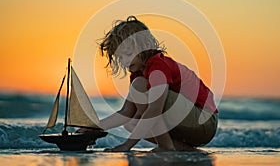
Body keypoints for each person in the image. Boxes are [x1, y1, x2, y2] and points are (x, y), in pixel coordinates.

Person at [81, 15, 218, 151]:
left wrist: (127, 145)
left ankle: (166, 146)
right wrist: (93, 127)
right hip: (189, 124)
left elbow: (154, 110)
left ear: (145, 47)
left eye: (128, 54)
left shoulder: (158, 65)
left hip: (204, 120)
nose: (124, 61)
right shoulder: (138, 74)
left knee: (139, 87)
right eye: (120, 57)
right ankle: (179, 147)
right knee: (131, 123)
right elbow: (126, 112)